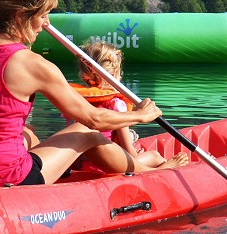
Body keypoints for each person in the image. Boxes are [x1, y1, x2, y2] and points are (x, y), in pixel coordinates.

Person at [0, 0, 188, 187]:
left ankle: (57, 171)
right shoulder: (32, 65)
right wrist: (140, 115)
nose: (46, 24)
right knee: (86, 132)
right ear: (20, 16)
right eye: (43, 15)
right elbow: (94, 119)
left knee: (27, 133)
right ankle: (153, 174)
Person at [72, 40, 171, 169]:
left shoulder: (76, 102)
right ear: (114, 74)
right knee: (155, 155)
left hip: (83, 165)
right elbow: (130, 154)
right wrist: (135, 153)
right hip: (108, 168)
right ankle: (163, 169)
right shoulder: (117, 105)